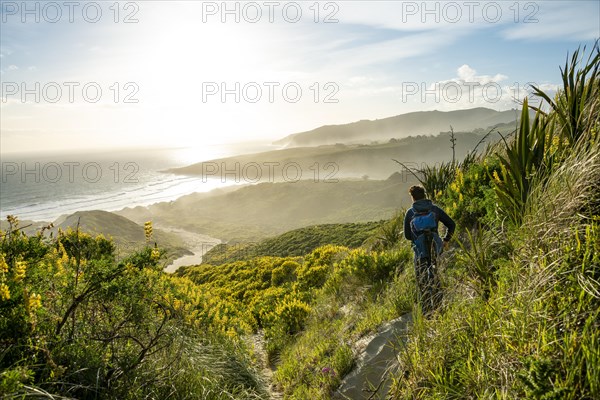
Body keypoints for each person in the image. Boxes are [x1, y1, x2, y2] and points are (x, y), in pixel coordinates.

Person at [403, 185, 455, 313]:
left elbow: (408, 236)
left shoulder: (410, 213)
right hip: (435, 249)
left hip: (420, 252)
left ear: (413, 197)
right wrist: (446, 240)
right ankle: (440, 309)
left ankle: (427, 312)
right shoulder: (434, 209)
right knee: (436, 277)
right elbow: (451, 224)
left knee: (422, 282)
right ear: (424, 195)